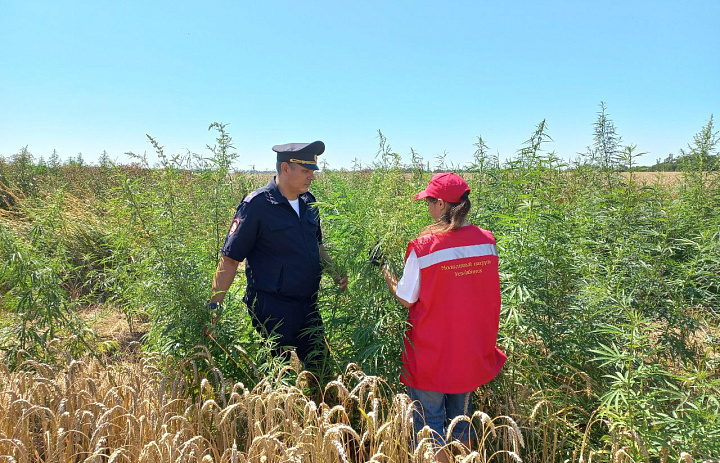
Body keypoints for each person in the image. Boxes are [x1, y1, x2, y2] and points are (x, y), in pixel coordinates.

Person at [371, 172, 506, 461]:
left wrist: (384, 268)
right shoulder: (486, 242)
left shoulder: (424, 246)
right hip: (470, 351)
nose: (428, 208)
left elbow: (407, 298)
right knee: (462, 423)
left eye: (430, 202)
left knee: (430, 428)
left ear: (442, 205)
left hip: (432, 354)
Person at [207, 141, 348, 378]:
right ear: (285, 168)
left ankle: (320, 411)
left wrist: (334, 271)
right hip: (271, 308)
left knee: (321, 372)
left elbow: (317, 244)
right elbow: (230, 259)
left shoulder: (310, 202)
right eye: (306, 171)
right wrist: (213, 306)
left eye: (313, 171)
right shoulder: (257, 205)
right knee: (278, 380)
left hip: (308, 305)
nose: (311, 177)